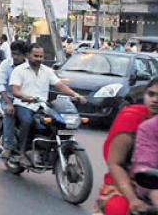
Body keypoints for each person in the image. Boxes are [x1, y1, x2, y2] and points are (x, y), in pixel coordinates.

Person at [10, 44, 87, 166]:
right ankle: (21, 153)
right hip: (23, 105)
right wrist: (26, 97)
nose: (39, 58)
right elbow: (15, 90)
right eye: (36, 56)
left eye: (41, 56)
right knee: (27, 121)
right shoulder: (19, 70)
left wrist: (75, 94)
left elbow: (60, 86)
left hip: (42, 106)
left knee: (56, 122)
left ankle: (49, 148)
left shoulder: (47, 71)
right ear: (28, 55)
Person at [95, 77, 158, 215]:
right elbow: (115, 164)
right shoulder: (132, 118)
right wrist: (132, 199)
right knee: (119, 209)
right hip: (127, 182)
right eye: (151, 94)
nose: (154, 100)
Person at [0, 40, 28, 159]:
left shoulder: (29, 66)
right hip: (7, 98)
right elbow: (1, 85)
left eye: (18, 54)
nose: (15, 57)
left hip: (25, 99)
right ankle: (7, 146)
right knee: (10, 113)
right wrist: (8, 103)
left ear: (25, 55)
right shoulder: (6, 65)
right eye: (14, 54)